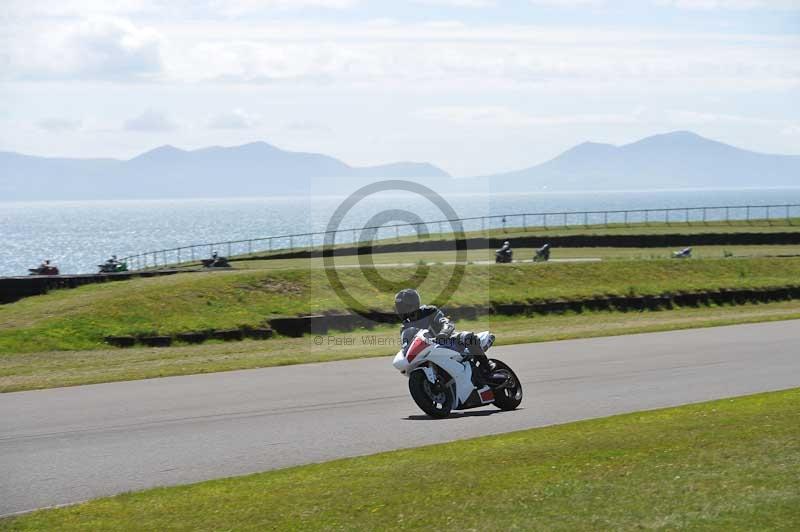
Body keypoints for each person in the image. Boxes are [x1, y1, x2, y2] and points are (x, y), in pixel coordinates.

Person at [394, 288, 494, 381]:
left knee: (468, 337)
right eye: (399, 307)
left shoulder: (429, 311)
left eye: (403, 307)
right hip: (427, 351)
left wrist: (444, 332)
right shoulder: (405, 327)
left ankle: (487, 366)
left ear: (412, 305)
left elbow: (446, 322)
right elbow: (407, 345)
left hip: (446, 341)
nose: (400, 311)